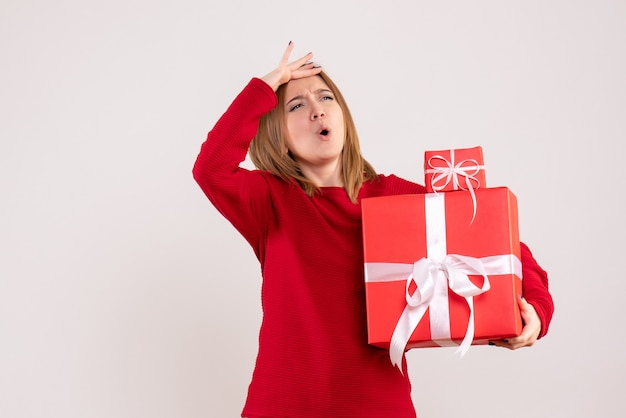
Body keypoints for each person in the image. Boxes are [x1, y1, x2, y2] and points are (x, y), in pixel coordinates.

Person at [192, 42, 554, 418]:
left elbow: (499, 243)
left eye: (326, 97)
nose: (317, 109)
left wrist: (536, 313)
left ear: (343, 117)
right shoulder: (270, 200)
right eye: (296, 105)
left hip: (378, 407)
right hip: (281, 407)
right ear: (278, 139)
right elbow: (210, 169)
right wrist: (267, 85)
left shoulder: (393, 197)